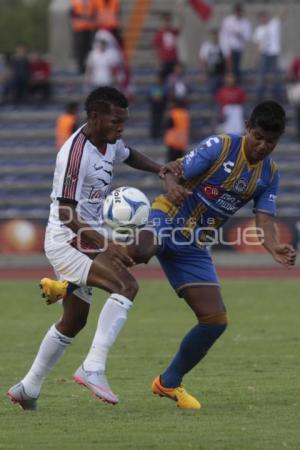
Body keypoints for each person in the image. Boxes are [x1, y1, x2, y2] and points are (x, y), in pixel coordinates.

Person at [36, 101, 296, 411]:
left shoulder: (269, 174)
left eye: (271, 141)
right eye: (258, 137)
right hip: (168, 215)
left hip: (195, 244)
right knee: (138, 253)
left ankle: (169, 382)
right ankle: (67, 285)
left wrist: (274, 246)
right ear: (248, 129)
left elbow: (263, 220)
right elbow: (174, 170)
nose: (263, 146)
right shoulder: (221, 146)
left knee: (215, 320)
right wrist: (172, 186)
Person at [7, 86, 181, 411]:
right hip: (66, 238)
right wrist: (106, 243)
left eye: (124, 121)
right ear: (95, 117)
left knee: (74, 320)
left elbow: (129, 154)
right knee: (126, 286)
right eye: (116, 121)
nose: (121, 128)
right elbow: (65, 214)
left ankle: (28, 388)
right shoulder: (76, 153)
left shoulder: (109, 142)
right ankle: (93, 367)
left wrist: (161, 170)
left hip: (86, 237)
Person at [252, 11, 283, 101]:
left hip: (274, 53)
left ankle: (277, 95)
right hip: (263, 54)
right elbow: (258, 45)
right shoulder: (258, 29)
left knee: (276, 75)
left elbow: (283, 15)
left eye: (265, 17)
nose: (263, 19)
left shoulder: (274, 24)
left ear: (267, 17)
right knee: (261, 75)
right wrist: (256, 57)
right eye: (261, 17)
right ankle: (259, 95)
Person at [219, 3, 252, 81]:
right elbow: (223, 35)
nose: (238, 13)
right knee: (226, 69)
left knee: (235, 69)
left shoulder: (246, 23)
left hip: (238, 49)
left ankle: (235, 84)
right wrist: (225, 50)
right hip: (228, 48)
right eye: (237, 11)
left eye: (240, 11)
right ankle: (226, 85)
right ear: (234, 11)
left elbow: (248, 37)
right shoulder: (227, 20)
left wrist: (240, 35)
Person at [152, 11, 183, 82]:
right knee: (160, 79)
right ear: (162, 22)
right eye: (165, 21)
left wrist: (181, 12)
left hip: (174, 60)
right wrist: (157, 61)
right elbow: (156, 48)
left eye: (169, 21)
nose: (167, 23)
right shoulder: (159, 34)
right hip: (164, 60)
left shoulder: (172, 31)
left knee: (177, 79)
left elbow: (180, 26)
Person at [70, 0, 96, 74]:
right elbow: (71, 13)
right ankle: (81, 68)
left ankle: (89, 68)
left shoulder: (92, 1)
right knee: (80, 49)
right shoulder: (75, 1)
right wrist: (82, 16)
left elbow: (95, 11)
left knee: (90, 48)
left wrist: (90, 17)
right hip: (79, 28)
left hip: (90, 28)